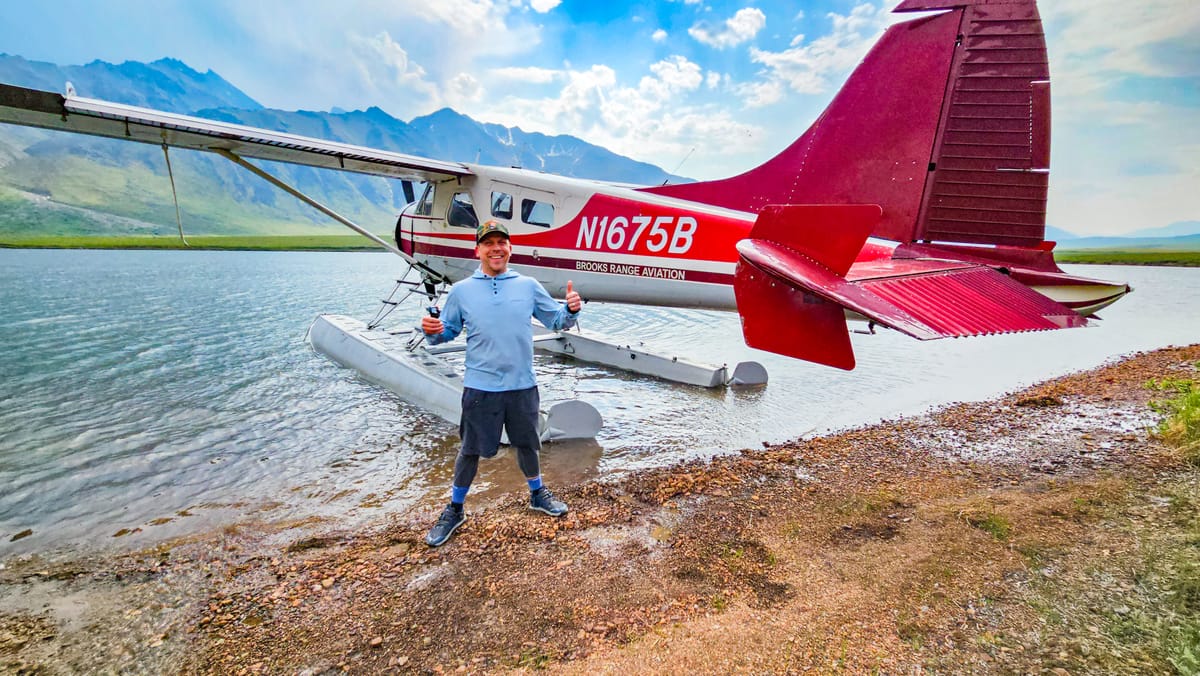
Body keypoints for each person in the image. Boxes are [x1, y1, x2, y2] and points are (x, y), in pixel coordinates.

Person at [420, 219, 583, 547]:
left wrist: (571, 310)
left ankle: (538, 494)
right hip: (481, 387)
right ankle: (455, 508)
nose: (496, 248)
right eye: (489, 243)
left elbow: (556, 320)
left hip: (522, 384)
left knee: (527, 444)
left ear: (510, 248)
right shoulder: (462, 290)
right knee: (469, 450)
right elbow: (446, 333)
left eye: (501, 242)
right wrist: (432, 331)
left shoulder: (528, 285)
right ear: (477, 249)